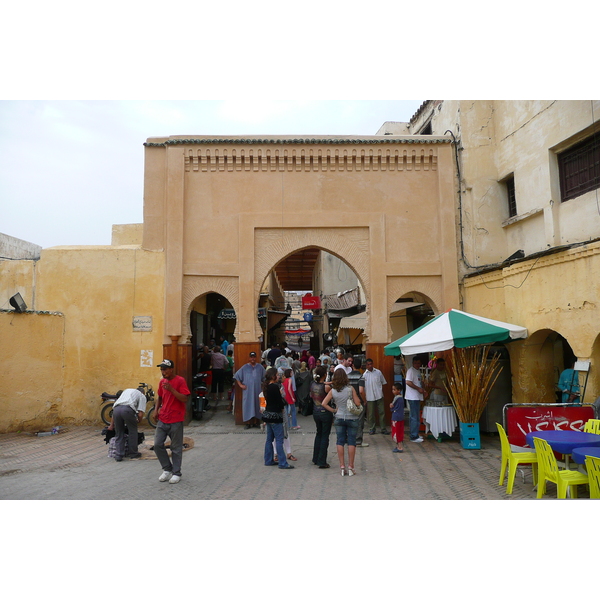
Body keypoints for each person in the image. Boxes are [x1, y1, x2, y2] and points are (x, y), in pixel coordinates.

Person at [154, 359, 191, 484]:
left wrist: (172, 390)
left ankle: (176, 473)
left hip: (176, 419)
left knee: (176, 447)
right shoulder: (162, 382)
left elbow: (185, 398)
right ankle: (167, 469)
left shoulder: (180, 381)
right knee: (158, 444)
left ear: (171, 369)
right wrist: (156, 410)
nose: (163, 372)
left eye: (165, 369)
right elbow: (159, 397)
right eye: (161, 370)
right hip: (163, 418)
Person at [322, 369, 362, 477]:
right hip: (352, 418)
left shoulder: (333, 390)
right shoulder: (350, 389)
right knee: (351, 441)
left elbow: (324, 403)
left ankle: (342, 466)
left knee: (340, 441)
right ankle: (351, 467)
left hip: (339, 417)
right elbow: (358, 403)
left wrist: (334, 410)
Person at [262, 367, 294, 470]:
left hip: (268, 415)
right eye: (277, 374)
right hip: (276, 415)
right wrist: (282, 406)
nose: (278, 376)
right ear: (273, 376)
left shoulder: (266, 386)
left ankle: (268, 459)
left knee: (269, 439)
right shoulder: (275, 387)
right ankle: (283, 463)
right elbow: (279, 402)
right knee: (279, 440)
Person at [112, 387, 147, 461]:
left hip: (116, 410)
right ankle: (133, 453)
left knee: (119, 433)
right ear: (143, 392)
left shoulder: (127, 390)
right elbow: (140, 414)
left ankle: (118, 455)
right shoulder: (142, 396)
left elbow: (115, 410)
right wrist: (138, 421)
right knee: (133, 431)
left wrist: (111, 425)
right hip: (127, 410)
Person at [234, 351, 266, 428]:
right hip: (247, 391)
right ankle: (248, 423)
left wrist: (264, 387)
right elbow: (237, 376)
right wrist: (241, 385)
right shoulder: (244, 367)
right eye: (251, 357)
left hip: (257, 390)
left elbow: (265, 378)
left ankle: (256, 422)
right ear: (249, 358)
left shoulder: (260, 367)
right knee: (247, 405)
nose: (253, 359)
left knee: (257, 405)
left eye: (254, 357)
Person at [310, 366, 332, 468]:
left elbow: (321, 384)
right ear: (324, 375)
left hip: (315, 412)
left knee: (318, 434)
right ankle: (322, 461)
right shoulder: (326, 388)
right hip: (325, 413)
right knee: (325, 436)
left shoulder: (312, 384)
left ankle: (315, 458)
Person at [361, 358, 388, 435]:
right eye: (368, 364)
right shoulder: (364, 375)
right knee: (371, 414)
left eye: (371, 364)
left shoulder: (378, 372)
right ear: (366, 365)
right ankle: (372, 428)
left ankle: (383, 428)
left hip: (379, 395)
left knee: (382, 412)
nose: (370, 366)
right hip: (369, 397)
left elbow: (383, 382)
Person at [348, 357, 368, 447]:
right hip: (359, 401)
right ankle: (358, 440)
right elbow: (361, 390)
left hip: (349, 401)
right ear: (360, 366)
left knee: (350, 419)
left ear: (352, 365)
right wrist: (364, 400)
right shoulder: (361, 377)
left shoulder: (347, 376)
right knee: (359, 421)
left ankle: (350, 439)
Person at [405, 357, 425, 442]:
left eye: (418, 363)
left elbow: (419, 383)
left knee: (416, 417)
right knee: (414, 417)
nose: (417, 364)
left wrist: (423, 390)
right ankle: (413, 436)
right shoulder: (411, 371)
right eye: (416, 363)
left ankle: (415, 434)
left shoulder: (418, 371)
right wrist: (418, 389)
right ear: (413, 363)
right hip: (412, 397)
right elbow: (408, 382)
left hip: (417, 396)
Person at [390, 383, 405, 453]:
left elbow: (394, 407)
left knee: (396, 432)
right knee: (400, 432)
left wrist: (391, 407)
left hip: (396, 417)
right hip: (400, 417)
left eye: (394, 389)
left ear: (399, 390)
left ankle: (399, 446)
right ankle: (399, 445)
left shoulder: (397, 399)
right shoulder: (401, 398)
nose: (393, 391)